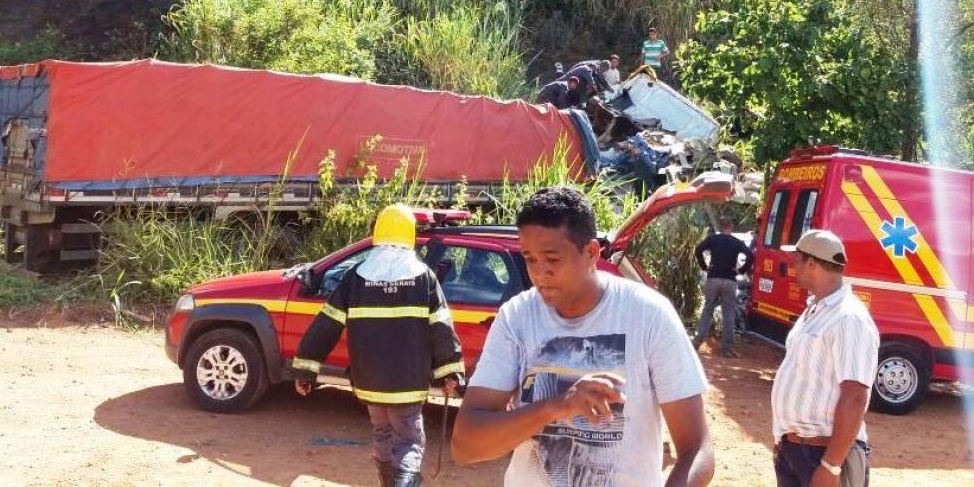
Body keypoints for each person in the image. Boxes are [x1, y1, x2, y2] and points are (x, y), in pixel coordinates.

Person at [451, 187, 714, 487]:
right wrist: (557, 407)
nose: (539, 273)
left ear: (591, 252)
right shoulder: (517, 317)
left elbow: (697, 450)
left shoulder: (648, 315)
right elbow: (465, 446)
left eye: (552, 258)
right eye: (530, 259)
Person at [292, 204, 465, 487]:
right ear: (410, 234)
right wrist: (451, 373)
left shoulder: (357, 276)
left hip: (369, 382)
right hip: (408, 384)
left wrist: (306, 370)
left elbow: (327, 324)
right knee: (409, 441)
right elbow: (442, 329)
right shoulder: (424, 278)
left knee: (382, 433)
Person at [771, 229, 878, 487]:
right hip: (795, 451)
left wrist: (831, 465)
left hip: (823, 454)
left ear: (811, 263)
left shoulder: (849, 318)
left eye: (797, 259)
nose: (793, 265)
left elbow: (854, 397)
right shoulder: (816, 310)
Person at [691, 217, 755, 357]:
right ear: (731, 227)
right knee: (728, 314)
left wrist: (704, 266)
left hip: (713, 278)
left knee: (707, 310)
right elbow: (751, 256)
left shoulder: (713, 239)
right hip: (730, 281)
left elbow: (698, 249)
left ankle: (696, 343)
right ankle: (727, 349)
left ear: (720, 227)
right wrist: (741, 270)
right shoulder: (736, 242)